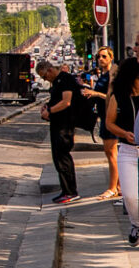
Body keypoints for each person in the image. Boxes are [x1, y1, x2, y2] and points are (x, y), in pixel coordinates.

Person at [106, 56, 139, 247]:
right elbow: (109, 123)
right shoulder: (118, 96)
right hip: (128, 151)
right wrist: (124, 133)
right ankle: (136, 225)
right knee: (129, 195)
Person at [38, 59, 79, 204]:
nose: (45, 79)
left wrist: (50, 111)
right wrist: (47, 106)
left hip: (64, 125)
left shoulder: (65, 79)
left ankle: (70, 191)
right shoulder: (57, 81)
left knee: (63, 158)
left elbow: (66, 101)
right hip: (58, 124)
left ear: (49, 70)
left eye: (44, 77)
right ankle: (65, 190)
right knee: (58, 158)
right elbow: (57, 100)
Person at [82, 46, 119, 201]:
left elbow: (113, 97)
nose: (100, 59)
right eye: (98, 57)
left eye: (104, 56)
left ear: (111, 58)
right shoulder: (104, 75)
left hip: (110, 117)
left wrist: (95, 93)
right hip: (104, 115)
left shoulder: (112, 75)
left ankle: (112, 188)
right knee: (110, 153)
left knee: (111, 153)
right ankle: (118, 186)